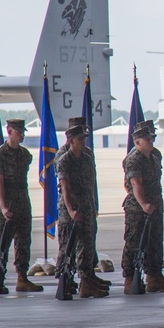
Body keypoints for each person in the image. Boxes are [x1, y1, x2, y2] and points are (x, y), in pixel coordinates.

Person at [122, 120, 164, 293]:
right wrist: (144, 204)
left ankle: (154, 277)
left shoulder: (154, 156)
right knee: (134, 243)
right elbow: (136, 184)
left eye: (152, 138)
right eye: (148, 139)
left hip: (155, 204)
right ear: (138, 142)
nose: (151, 141)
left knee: (155, 241)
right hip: (138, 208)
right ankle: (130, 279)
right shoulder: (133, 159)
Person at [0, 119, 41, 294]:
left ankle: (22, 278)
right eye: (18, 132)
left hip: (22, 200)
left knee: (24, 241)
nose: (22, 135)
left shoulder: (25, 155)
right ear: (9, 131)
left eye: (22, 132)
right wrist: (3, 207)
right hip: (6, 201)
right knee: (2, 242)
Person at [56, 123, 107, 298]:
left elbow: (91, 184)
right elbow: (65, 189)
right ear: (71, 141)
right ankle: (65, 279)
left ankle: (86, 282)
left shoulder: (86, 158)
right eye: (79, 139)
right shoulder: (64, 161)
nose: (82, 142)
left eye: (84, 138)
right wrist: (71, 210)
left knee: (87, 244)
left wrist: (91, 205)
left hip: (86, 206)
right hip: (72, 208)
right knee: (68, 246)